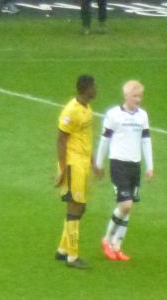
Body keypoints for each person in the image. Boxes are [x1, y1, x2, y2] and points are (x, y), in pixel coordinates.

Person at [94, 80, 154, 262]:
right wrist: (98, 163)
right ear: (126, 96)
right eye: (135, 96)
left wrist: (150, 165)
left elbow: (146, 140)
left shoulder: (142, 116)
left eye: (140, 96)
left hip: (135, 165)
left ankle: (117, 246)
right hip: (118, 164)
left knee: (129, 208)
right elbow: (105, 140)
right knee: (125, 205)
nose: (138, 99)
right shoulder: (113, 115)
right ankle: (107, 239)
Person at [54, 73, 97, 269]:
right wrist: (62, 169)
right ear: (86, 89)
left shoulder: (87, 109)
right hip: (72, 165)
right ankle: (72, 256)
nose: (96, 90)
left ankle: (63, 250)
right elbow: (61, 139)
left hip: (83, 163)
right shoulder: (71, 111)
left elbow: (85, 138)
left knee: (81, 207)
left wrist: (93, 161)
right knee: (75, 207)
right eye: (94, 87)